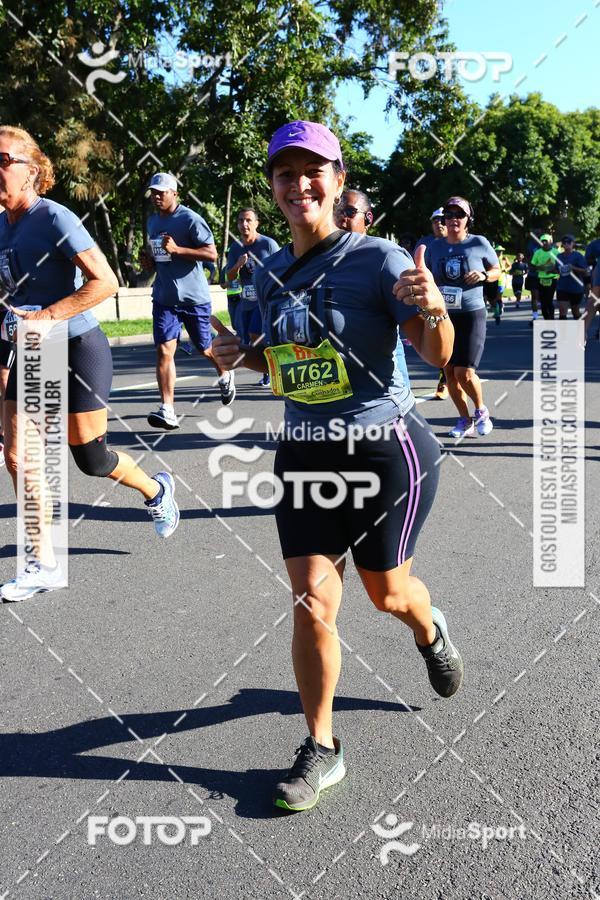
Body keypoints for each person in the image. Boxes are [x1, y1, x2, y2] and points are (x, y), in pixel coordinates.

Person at [211, 120, 463, 813]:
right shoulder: (265, 272)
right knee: (312, 603)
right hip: (306, 453)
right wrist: (244, 352)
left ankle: (429, 627)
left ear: (338, 180)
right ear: (273, 186)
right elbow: (283, 362)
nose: (300, 186)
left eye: (313, 171)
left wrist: (436, 309)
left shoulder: (378, 260)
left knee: (387, 595)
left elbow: (438, 354)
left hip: (388, 452)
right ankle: (321, 747)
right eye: (286, 175)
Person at [0, 127, 179, 602]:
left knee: (91, 459)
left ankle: (157, 491)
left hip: (77, 346)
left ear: (32, 170)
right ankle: (42, 561)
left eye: (2, 160)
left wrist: (45, 317)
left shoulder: (55, 217)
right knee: (17, 455)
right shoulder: (1, 224)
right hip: (34, 352)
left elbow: (106, 281)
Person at [143, 172, 234, 430]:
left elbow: (211, 254)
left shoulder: (191, 219)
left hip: (194, 299)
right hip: (164, 298)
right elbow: (156, 255)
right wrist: (149, 260)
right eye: (153, 192)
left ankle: (225, 372)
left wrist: (178, 250)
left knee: (204, 347)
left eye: (161, 192)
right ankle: (167, 409)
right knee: (164, 351)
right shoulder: (151, 222)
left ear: (175, 194)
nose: (156, 196)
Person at [425, 196, 500, 439]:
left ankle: (481, 411)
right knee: (449, 375)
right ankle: (464, 419)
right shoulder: (434, 247)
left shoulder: (478, 243)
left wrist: (483, 275)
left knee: (463, 373)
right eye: (449, 215)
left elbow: (497, 271)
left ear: (468, 219)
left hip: (471, 314)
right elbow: (425, 275)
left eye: (459, 215)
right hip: (444, 317)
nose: (453, 219)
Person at [334, 188, 411, 395]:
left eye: (349, 212)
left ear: (368, 218)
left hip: (382, 369)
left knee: (398, 415)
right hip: (335, 373)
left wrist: (434, 310)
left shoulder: (384, 257)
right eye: (337, 211)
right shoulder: (322, 259)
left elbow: (429, 341)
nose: (341, 218)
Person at [226, 208, 279, 388]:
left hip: (266, 300)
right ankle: (268, 371)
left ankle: (270, 373)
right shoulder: (235, 248)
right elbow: (228, 279)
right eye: (241, 220)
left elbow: (283, 269)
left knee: (255, 334)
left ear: (257, 223)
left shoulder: (268, 244)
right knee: (246, 340)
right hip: (246, 300)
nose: (244, 224)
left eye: (248, 220)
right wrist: (238, 266)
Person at [414, 209, 449, 399]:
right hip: (432, 302)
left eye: (443, 220)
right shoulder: (424, 244)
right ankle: (444, 379)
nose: (440, 224)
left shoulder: (458, 243)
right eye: (435, 221)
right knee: (439, 340)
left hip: (457, 302)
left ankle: (453, 374)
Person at [555, 236, 587, 320]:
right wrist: (549, 270)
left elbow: (585, 271)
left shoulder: (578, 256)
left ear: (573, 243)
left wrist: (573, 268)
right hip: (562, 287)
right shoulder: (559, 256)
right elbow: (557, 270)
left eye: (568, 242)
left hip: (575, 288)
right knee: (562, 311)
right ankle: (563, 332)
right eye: (564, 242)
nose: (566, 244)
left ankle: (581, 329)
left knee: (575, 312)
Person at [530, 234, 559, 320]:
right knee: (543, 302)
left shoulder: (556, 252)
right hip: (541, 279)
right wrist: (541, 267)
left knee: (549, 300)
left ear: (551, 242)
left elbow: (560, 265)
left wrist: (553, 269)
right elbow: (532, 266)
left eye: (546, 241)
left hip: (552, 278)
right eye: (542, 241)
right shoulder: (537, 252)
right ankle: (546, 318)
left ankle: (552, 318)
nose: (544, 243)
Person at [525, 228, 542, 325]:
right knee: (534, 295)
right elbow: (528, 257)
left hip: (545, 276)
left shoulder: (545, 245)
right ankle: (535, 317)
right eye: (535, 234)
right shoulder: (530, 245)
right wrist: (530, 266)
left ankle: (547, 316)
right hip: (533, 274)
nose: (537, 236)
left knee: (543, 297)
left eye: (538, 234)